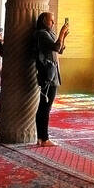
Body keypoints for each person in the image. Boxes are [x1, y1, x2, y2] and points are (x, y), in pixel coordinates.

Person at [32, 11, 69, 146]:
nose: (53, 23)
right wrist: (61, 33)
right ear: (43, 21)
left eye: (53, 21)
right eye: (51, 20)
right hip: (47, 75)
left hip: (52, 74)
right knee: (45, 107)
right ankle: (44, 138)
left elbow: (59, 49)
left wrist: (63, 36)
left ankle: (41, 138)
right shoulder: (41, 34)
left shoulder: (49, 33)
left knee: (45, 106)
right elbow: (55, 46)